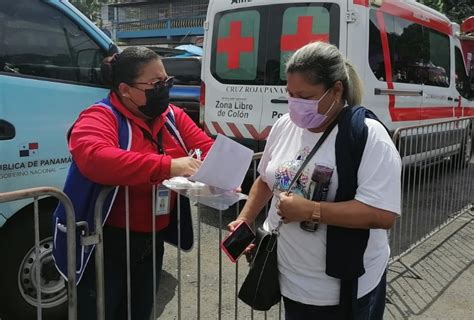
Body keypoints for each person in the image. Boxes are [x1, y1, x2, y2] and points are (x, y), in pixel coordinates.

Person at [229, 41, 401, 320]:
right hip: (287, 277)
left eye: (305, 96)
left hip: (340, 290)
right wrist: (246, 219)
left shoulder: (368, 136)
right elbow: (265, 179)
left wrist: (311, 211)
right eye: (290, 94)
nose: (295, 104)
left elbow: (382, 215)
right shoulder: (285, 125)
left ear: (336, 90)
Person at [71, 47, 214, 319]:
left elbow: (206, 149)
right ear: (125, 90)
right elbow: (95, 158)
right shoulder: (100, 116)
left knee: (140, 310)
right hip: (107, 240)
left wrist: (221, 176)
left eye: (167, 81)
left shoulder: (172, 116)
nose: (164, 89)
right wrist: (169, 165)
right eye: (155, 84)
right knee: (100, 310)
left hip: (153, 237)